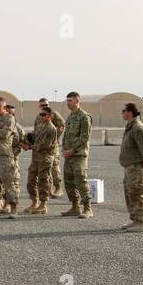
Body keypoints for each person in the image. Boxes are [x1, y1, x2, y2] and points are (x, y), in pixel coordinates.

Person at [119, 101, 143, 232]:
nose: (122, 113)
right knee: (129, 193)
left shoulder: (138, 128)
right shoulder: (130, 126)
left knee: (136, 192)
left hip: (135, 166)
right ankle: (134, 219)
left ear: (130, 112)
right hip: (129, 166)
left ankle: (141, 222)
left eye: (123, 111)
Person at [61, 91, 93, 219]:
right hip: (69, 155)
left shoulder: (84, 117)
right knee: (68, 181)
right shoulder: (70, 117)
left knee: (80, 180)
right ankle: (75, 207)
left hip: (79, 154)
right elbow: (66, 135)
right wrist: (64, 149)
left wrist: (72, 150)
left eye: (70, 100)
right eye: (67, 100)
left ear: (77, 101)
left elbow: (85, 137)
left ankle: (87, 208)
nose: (68, 103)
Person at [26, 107, 59, 214]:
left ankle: (43, 204)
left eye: (44, 115)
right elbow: (33, 136)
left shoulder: (51, 129)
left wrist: (30, 146)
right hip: (36, 158)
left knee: (43, 182)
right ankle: (34, 202)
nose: (42, 116)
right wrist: (27, 140)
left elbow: (44, 145)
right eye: (41, 114)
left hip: (45, 159)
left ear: (50, 116)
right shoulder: (40, 126)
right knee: (31, 181)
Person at [40, 98, 65, 198]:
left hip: (52, 146)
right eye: (42, 105)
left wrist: (54, 137)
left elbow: (61, 125)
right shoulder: (39, 117)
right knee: (44, 167)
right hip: (42, 147)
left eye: (46, 105)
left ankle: (58, 188)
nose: (44, 107)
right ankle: (48, 188)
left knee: (54, 166)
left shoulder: (53, 114)